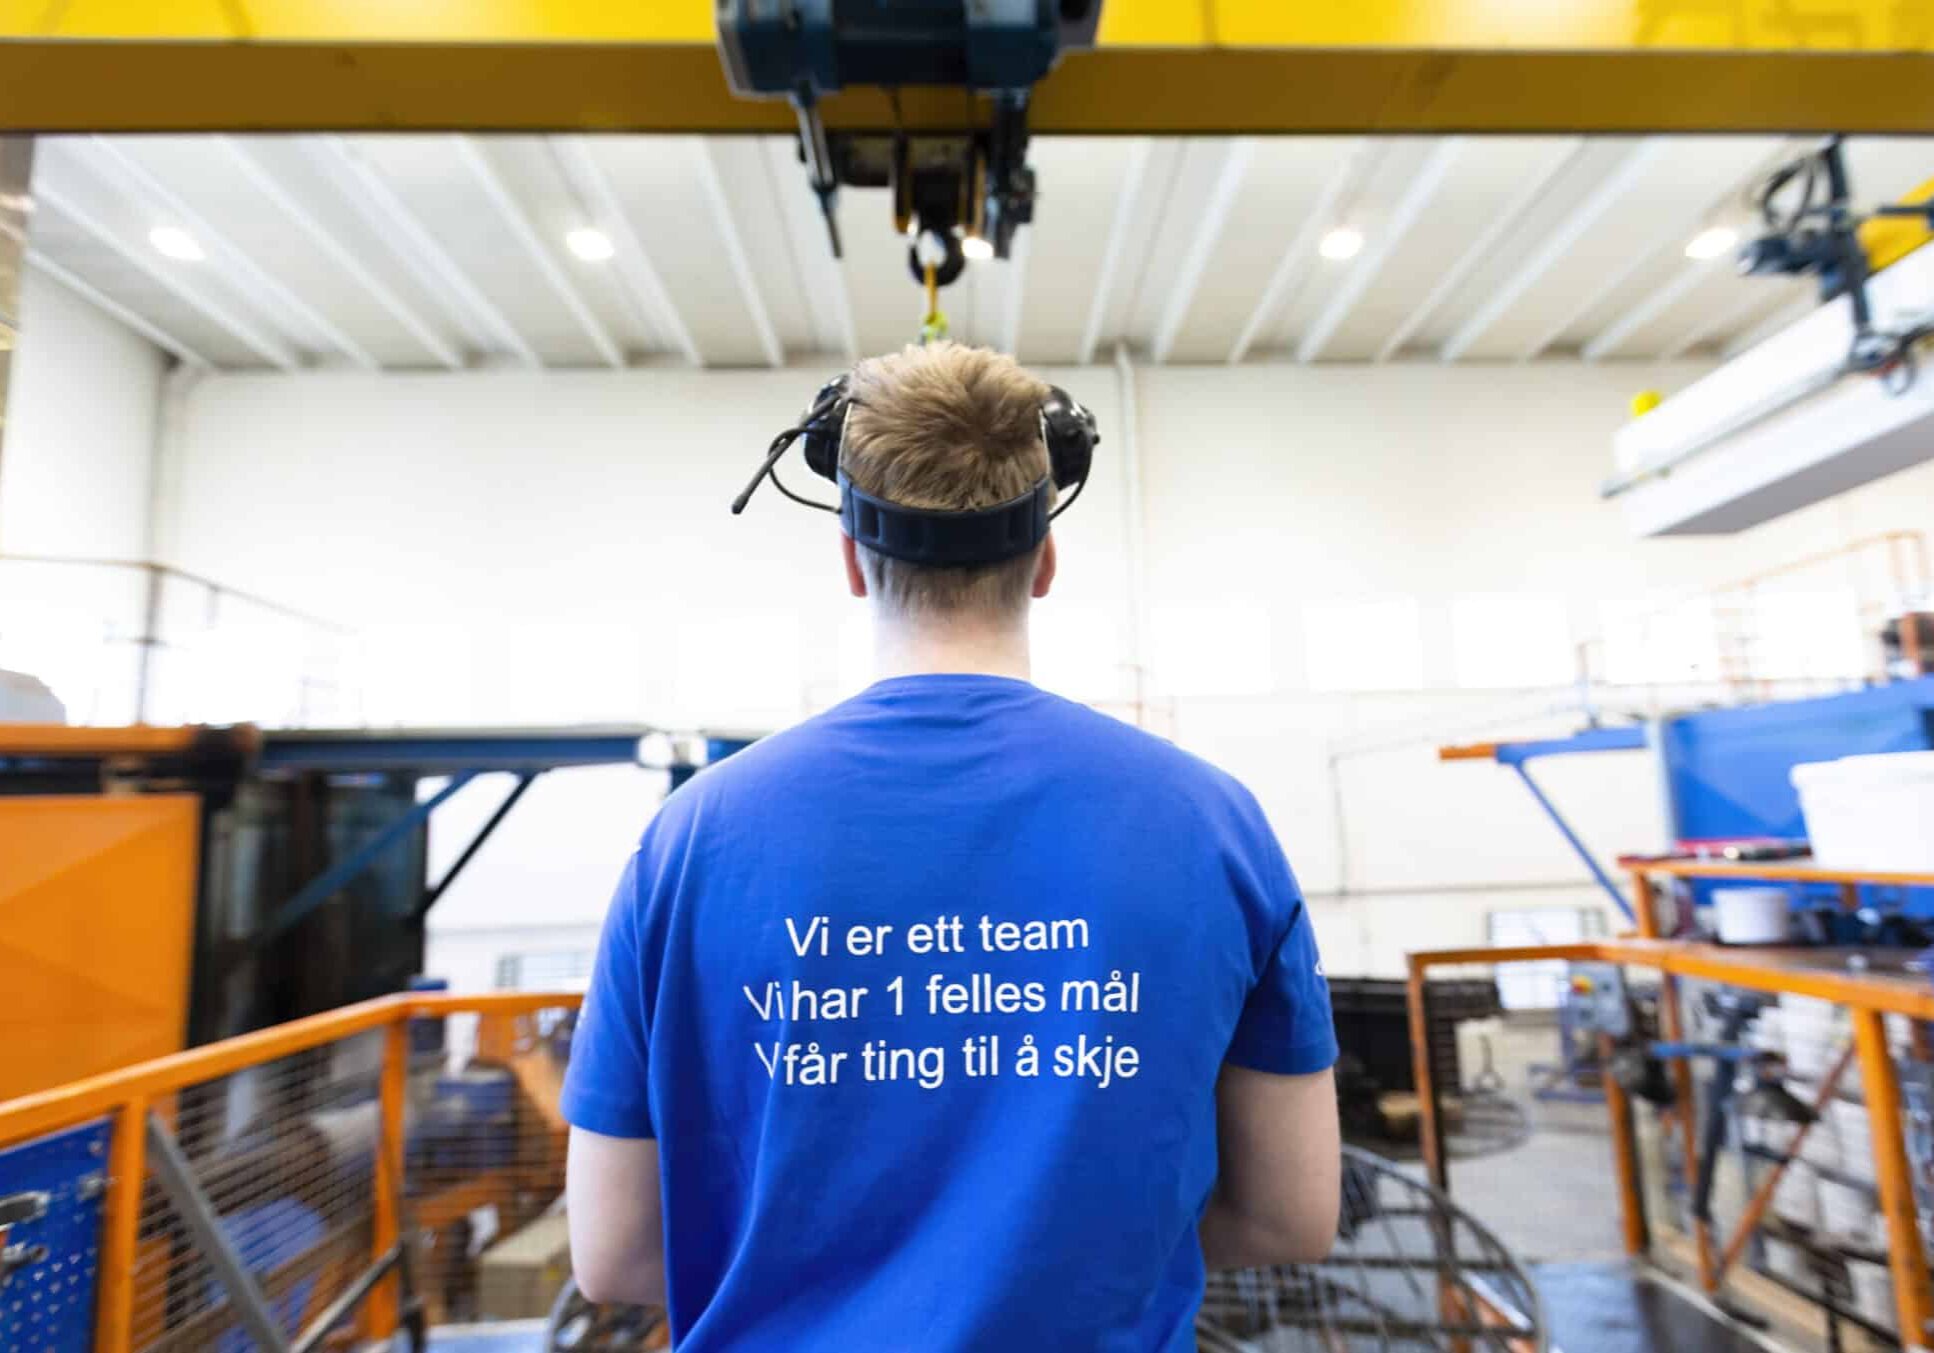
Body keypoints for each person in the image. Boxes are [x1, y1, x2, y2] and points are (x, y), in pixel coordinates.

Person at [561, 342, 1339, 1350]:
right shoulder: (1211, 822)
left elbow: (614, 1253)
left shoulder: (692, 839)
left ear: (851, 559)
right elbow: (1290, 1215)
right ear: (1043, 560)